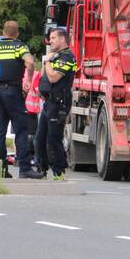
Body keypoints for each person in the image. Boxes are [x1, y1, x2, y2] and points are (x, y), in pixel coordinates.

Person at [0, 21, 42, 179]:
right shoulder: (19, 46)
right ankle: (25, 169)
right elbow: (30, 62)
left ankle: (1, 170)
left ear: (3, 33)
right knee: (21, 130)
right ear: (17, 34)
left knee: (0, 132)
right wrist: (29, 80)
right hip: (13, 92)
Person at [39, 27, 78, 180]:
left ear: (62, 39)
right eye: (50, 38)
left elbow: (54, 77)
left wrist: (47, 61)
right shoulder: (55, 56)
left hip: (59, 103)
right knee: (40, 138)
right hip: (49, 102)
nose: (51, 41)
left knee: (53, 139)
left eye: (54, 38)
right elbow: (45, 77)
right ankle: (41, 170)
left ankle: (59, 172)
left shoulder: (67, 57)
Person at [23, 68, 43, 173]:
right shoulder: (35, 74)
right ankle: (37, 160)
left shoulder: (19, 72)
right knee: (35, 136)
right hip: (32, 110)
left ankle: (20, 158)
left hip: (21, 108)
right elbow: (38, 89)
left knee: (20, 134)